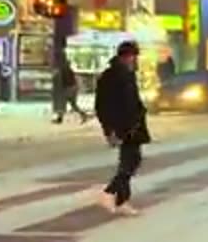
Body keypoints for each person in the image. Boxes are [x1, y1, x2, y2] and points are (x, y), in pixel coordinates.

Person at [94, 41, 150, 216]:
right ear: (126, 56)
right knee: (130, 161)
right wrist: (108, 129)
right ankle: (110, 193)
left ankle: (121, 200)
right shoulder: (112, 76)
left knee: (130, 161)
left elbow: (132, 100)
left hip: (132, 124)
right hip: (123, 125)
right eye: (133, 56)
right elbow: (102, 105)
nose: (134, 60)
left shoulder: (127, 74)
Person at [53, 59, 90, 124]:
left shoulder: (63, 70)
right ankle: (83, 115)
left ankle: (60, 118)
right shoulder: (69, 70)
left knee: (62, 103)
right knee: (73, 104)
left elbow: (61, 81)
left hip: (68, 88)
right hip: (73, 88)